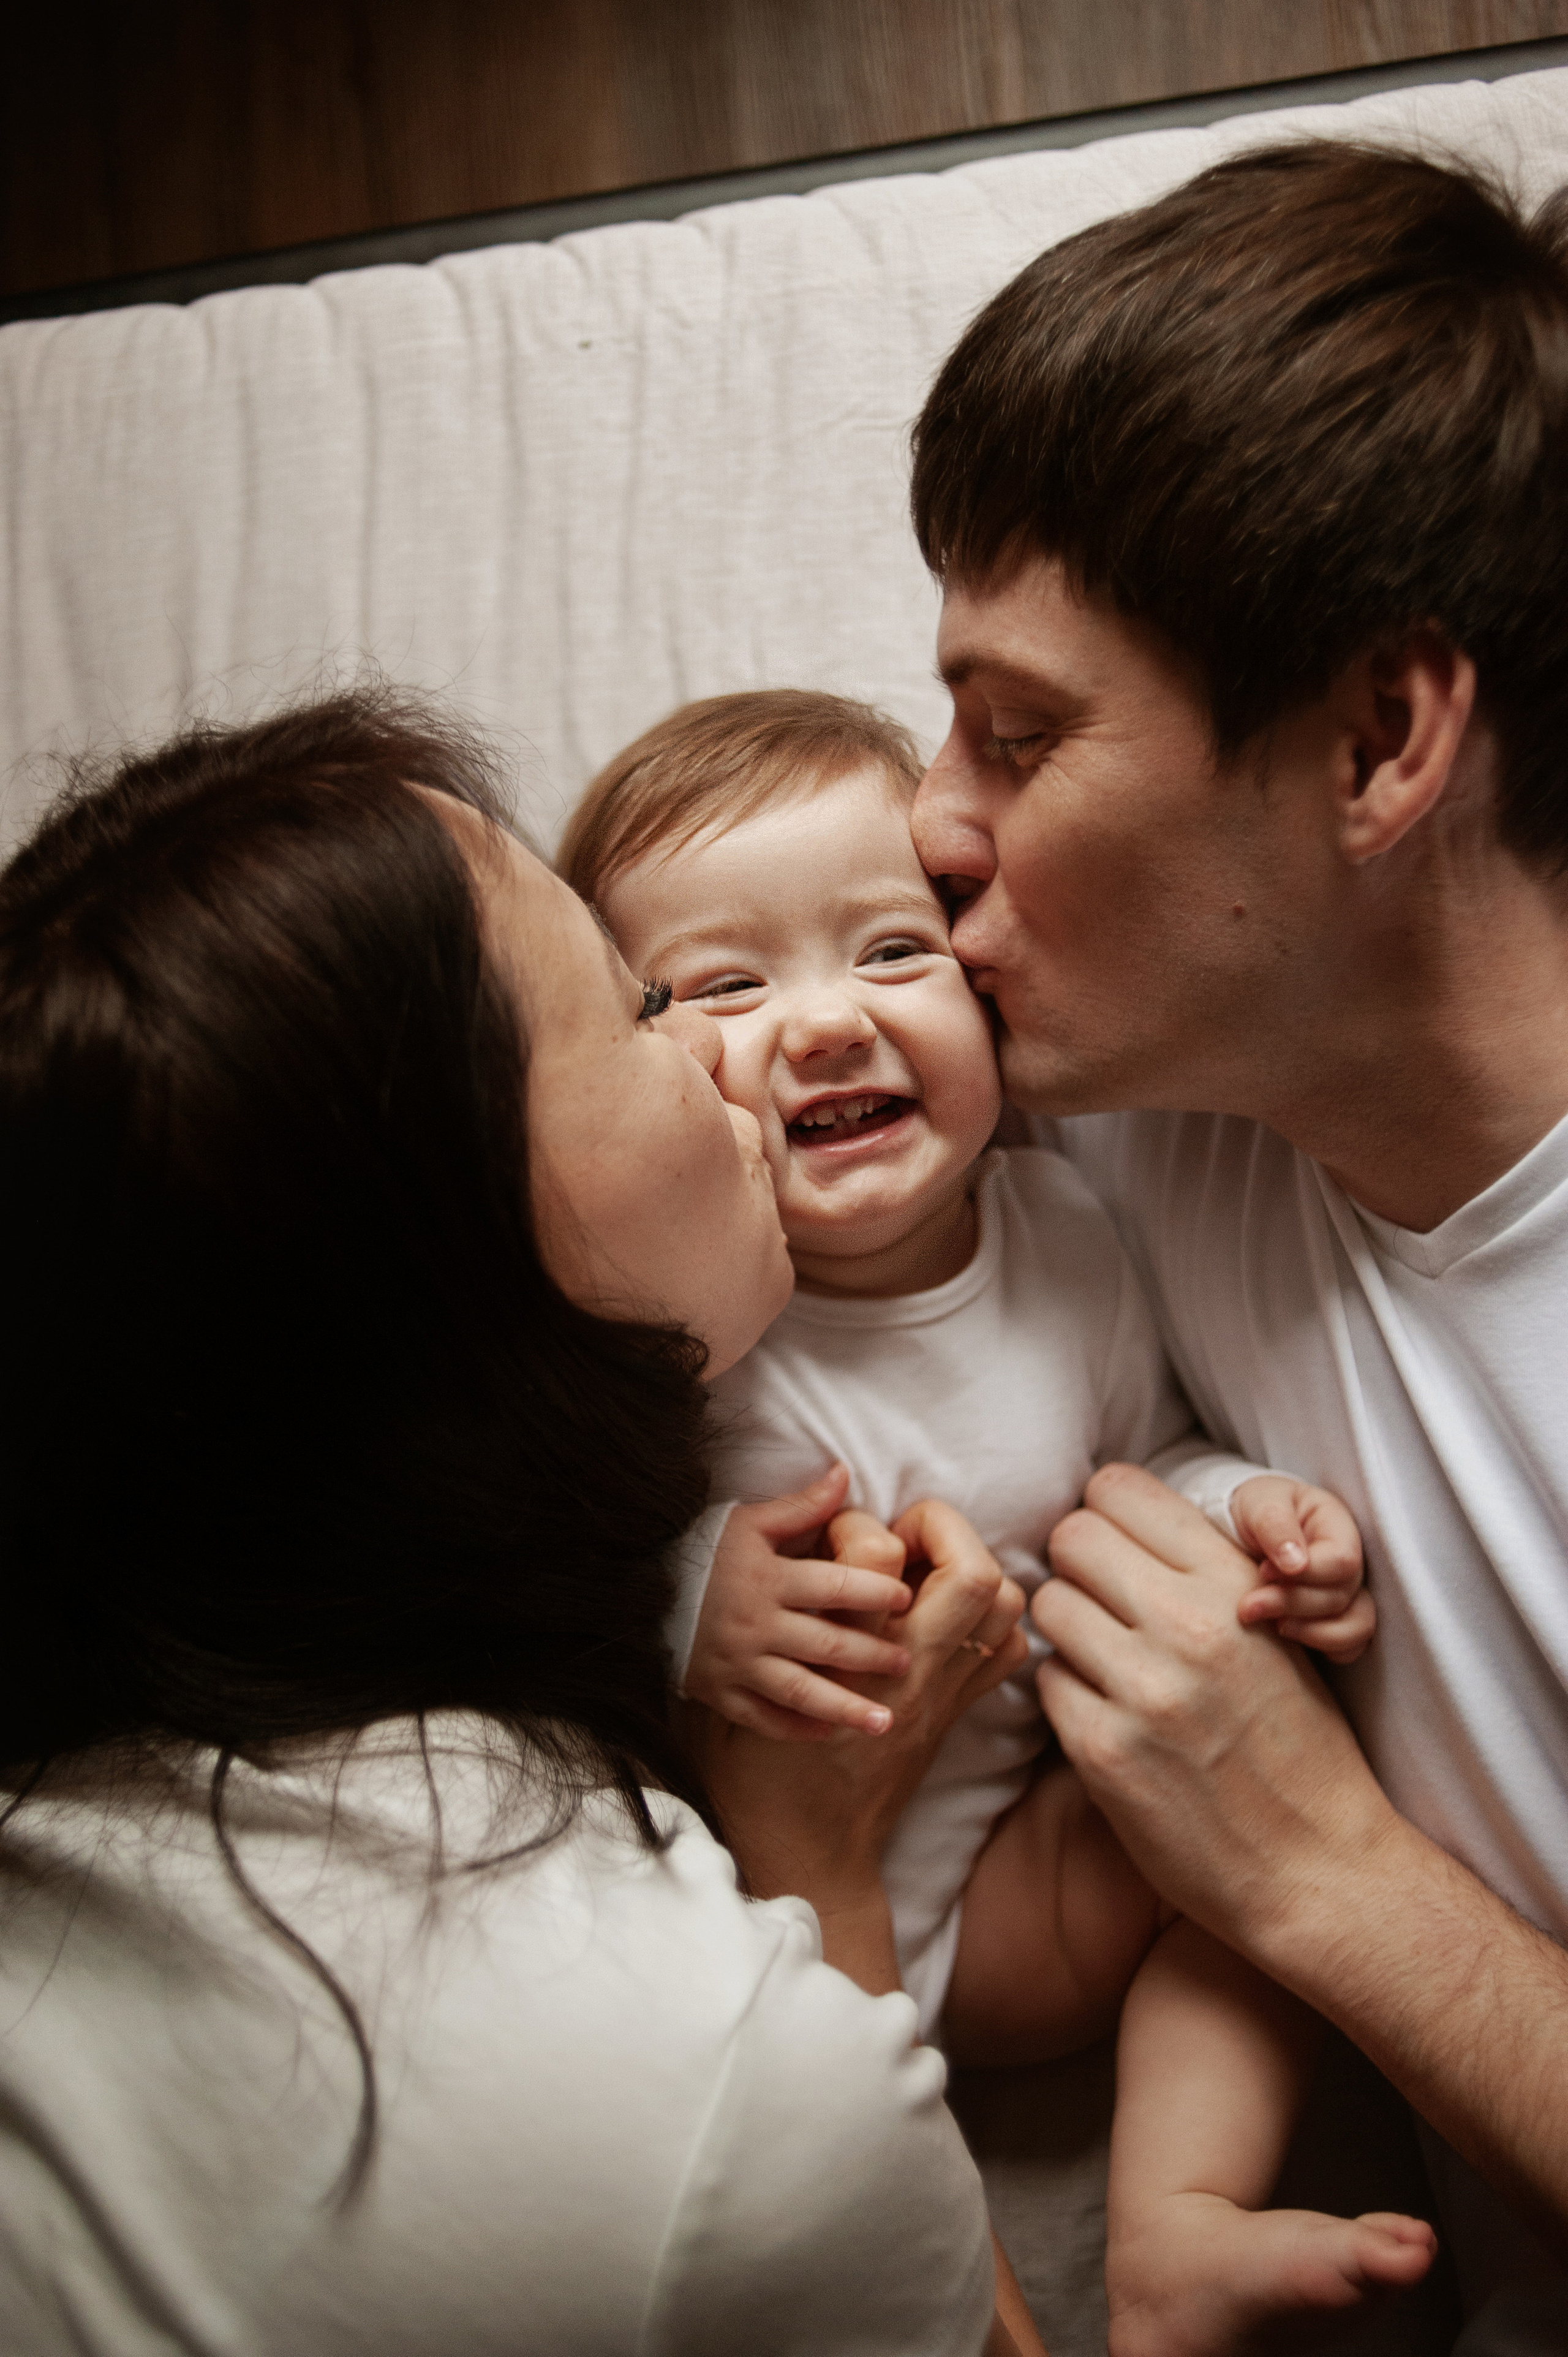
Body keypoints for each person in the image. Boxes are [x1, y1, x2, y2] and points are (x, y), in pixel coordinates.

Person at [0, 688, 1044, 2357]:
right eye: (643, 1007)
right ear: (461, 1272)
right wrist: (821, 1871)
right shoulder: (722, 2091)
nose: (731, 1049)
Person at [907, 138, 1568, 2354]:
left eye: (1018, 734)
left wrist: (1317, 1875)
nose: (935, 821)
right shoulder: (1141, 1119)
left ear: (1382, 738)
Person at [559, 683, 1433, 2353]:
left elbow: (1144, 1462)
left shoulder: (1073, 1249)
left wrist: (1250, 1510)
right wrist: (684, 1598)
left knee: (1276, 1778)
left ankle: (1176, 2224)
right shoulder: (678, 1324)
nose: (824, 1026)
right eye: (728, 987)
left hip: (1017, 1906)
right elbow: (536, 1554)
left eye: (893, 953)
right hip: (749, 1921)